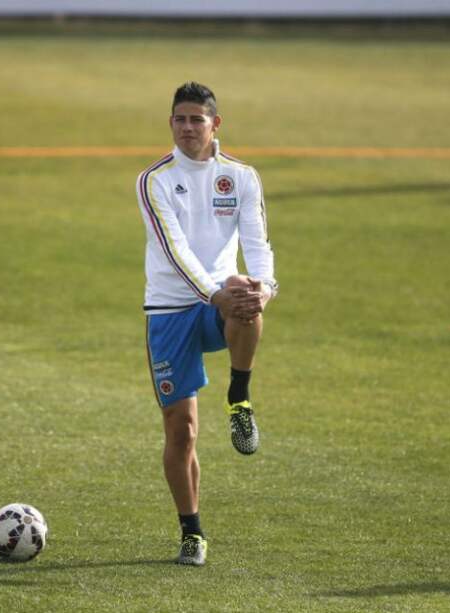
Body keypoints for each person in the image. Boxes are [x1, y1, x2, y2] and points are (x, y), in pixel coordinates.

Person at [136, 82, 277, 566]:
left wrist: (266, 288)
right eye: (180, 119)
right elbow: (175, 252)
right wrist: (214, 293)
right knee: (182, 431)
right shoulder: (154, 180)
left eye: (197, 119)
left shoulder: (240, 176)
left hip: (221, 300)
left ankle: (240, 396)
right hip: (169, 310)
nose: (188, 128)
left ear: (217, 124)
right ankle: (192, 532)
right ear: (170, 125)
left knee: (248, 292)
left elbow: (258, 242)